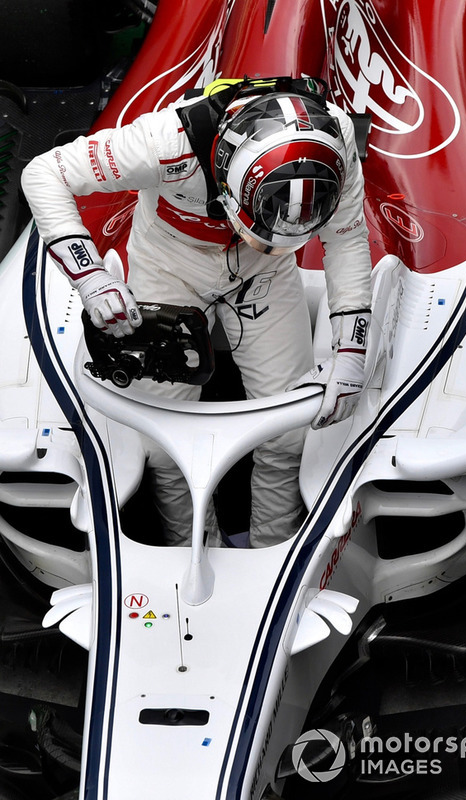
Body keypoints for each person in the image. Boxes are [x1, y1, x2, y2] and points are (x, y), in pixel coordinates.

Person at [21, 76, 372, 548]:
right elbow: (43, 172)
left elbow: (346, 239)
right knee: (161, 443)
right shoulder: (164, 141)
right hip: (169, 266)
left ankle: (272, 547)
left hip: (264, 272)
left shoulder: (340, 138)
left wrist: (352, 350)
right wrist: (90, 277)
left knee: (290, 433)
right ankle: (192, 546)